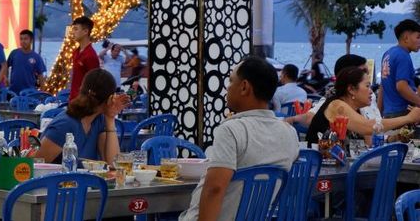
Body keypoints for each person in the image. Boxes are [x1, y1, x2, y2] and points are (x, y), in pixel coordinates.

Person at [180, 56, 299, 221]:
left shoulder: (231, 130)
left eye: (230, 81)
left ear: (244, 87)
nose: (227, 87)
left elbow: (215, 188)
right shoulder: (289, 133)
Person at [36, 68, 130, 166]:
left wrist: (110, 118)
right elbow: (36, 165)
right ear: (110, 98)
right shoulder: (65, 125)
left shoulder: (99, 119)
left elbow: (113, 164)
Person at [306, 66, 420, 146]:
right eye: (367, 86)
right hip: (318, 166)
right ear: (351, 89)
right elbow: (370, 127)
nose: (371, 91)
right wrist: (408, 117)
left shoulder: (357, 111)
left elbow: (370, 142)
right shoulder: (337, 106)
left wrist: (396, 137)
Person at [286, 54, 382, 128]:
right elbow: (311, 117)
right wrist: (292, 119)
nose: (367, 74)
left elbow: (376, 128)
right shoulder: (334, 99)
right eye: (363, 71)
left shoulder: (370, 95)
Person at [380, 19, 420, 117]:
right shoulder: (403, 56)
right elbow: (401, 87)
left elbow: (383, 86)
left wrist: (379, 113)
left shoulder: (387, 54)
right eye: (418, 37)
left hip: (388, 113)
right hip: (401, 112)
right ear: (406, 38)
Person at [69, 16, 100, 100]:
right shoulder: (75, 52)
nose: (73, 32)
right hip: (73, 98)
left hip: (83, 101)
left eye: (76, 29)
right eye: (73, 29)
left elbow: (94, 83)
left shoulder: (90, 55)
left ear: (85, 31)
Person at [7, 29, 46, 94]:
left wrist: (42, 92)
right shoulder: (14, 53)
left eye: (25, 39)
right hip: (13, 92)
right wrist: (5, 78)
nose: (23, 41)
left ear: (31, 40)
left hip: (30, 92)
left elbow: (40, 76)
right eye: (21, 39)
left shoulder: (37, 57)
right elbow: (5, 66)